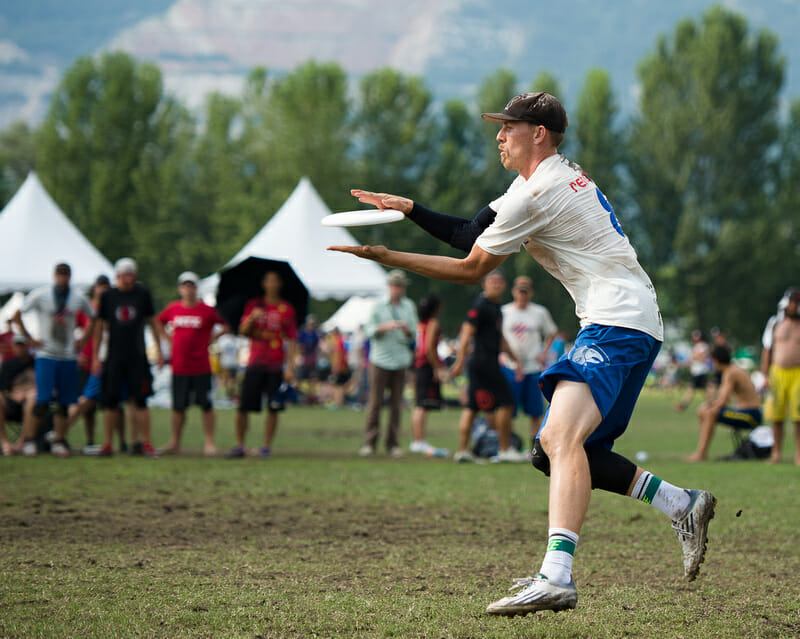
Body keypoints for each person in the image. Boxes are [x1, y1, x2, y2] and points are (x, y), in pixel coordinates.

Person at [330, 91, 716, 615]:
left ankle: (556, 576)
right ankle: (681, 503)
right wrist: (411, 209)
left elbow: (471, 266)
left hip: (616, 321)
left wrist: (384, 256)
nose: (499, 136)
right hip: (629, 320)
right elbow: (471, 232)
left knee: (559, 439)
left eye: (508, 127)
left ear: (539, 134)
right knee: (555, 451)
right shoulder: (534, 183)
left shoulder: (535, 194)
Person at [14, 262, 94, 457]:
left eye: (66, 274)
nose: (62, 277)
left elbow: (94, 317)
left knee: (63, 402)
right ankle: (30, 440)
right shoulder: (41, 294)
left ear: (70, 276)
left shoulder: (77, 297)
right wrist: (29, 339)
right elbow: (17, 314)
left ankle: (59, 440)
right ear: (54, 275)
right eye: (60, 273)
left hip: (67, 356)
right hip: (46, 355)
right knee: (42, 400)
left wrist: (82, 341)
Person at [450, 270, 526, 463]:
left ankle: (462, 451)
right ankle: (504, 449)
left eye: (500, 281)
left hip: (484, 362)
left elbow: (500, 339)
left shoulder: (495, 307)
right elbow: (466, 332)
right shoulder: (481, 305)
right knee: (506, 403)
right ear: (484, 284)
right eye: (492, 281)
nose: (497, 284)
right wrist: (459, 361)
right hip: (484, 362)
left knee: (472, 407)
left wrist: (515, 360)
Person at [93, 258, 164, 457]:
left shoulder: (142, 294)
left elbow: (153, 322)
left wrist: (159, 350)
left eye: (131, 273)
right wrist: (96, 357)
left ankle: (145, 443)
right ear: (117, 276)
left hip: (137, 356)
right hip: (114, 356)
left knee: (140, 400)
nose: (128, 278)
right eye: (124, 274)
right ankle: (107, 444)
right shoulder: (108, 296)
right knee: (110, 401)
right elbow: (99, 326)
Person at [227, 270, 297, 459]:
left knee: (273, 407)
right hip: (255, 362)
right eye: (269, 281)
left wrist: (290, 367)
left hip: (275, 363)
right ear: (264, 284)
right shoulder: (253, 305)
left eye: (276, 281)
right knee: (243, 406)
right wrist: (252, 318)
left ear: (280, 284)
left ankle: (266, 446)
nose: (272, 284)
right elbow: (242, 331)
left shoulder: (286, 308)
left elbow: (291, 339)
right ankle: (240, 445)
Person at [157, 271, 229, 456]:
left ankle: (209, 442)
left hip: (201, 367)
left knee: (206, 405)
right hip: (179, 367)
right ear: (180, 289)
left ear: (197, 288)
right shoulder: (173, 308)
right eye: (185, 285)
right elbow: (158, 322)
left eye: (191, 285)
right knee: (178, 407)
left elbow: (226, 324)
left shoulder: (206, 310)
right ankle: (175, 442)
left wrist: (213, 337)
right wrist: (167, 339)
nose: (188, 289)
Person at [359, 269, 418, 458]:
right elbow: (368, 330)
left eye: (401, 285)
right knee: (375, 403)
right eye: (395, 285)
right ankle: (370, 442)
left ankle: (392, 443)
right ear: (389, 286)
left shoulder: (409, 306)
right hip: (380, 360)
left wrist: (407, 330)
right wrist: (384, 327)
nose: (398, 289)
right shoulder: (378, 306)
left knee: (396, 404)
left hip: (401, 359)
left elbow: (416, 333)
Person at [501, 275, 558, 449]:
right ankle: (511, 443)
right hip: (510, 366)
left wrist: (544, 352)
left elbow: (552, 332)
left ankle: (534, 446)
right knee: (509, 409)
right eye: (520, 291)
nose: (522, 294)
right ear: (514, 292)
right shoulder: (504, 311)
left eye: (525, 291)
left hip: (533, 367)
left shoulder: (539, 312)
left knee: (535, 410)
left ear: (530, 293)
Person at [686, 344, 762, 462]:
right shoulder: (734, 370)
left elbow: (723, 401)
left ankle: (701, 453)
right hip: (749, 413)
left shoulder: (730, 373)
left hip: (751, 416)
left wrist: (710, 407)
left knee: (710, 413)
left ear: (716, 361)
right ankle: (701, 451)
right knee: (703, 410)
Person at [760, 287, 800, 465]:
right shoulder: (775, 322)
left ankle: (799, 454)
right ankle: (776, 454)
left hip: (798, 374)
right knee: (776, 416)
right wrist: (765, 374)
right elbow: (767, 349)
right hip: (777, 372)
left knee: (798, 417)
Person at [409, 293, 444, 455]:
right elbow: (429, 348)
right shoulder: (433, 323)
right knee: (422, 405)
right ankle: (419, 441)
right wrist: (437, 367)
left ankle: (418, 440)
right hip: (426, 365)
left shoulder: (420, 324)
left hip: (419, 365)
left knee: (419, 404)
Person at [0, 336, 36, 456]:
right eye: (17, 345)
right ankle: (5, 443)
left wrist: (27, 394)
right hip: (12, 402)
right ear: (13, 347)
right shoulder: (7, 365)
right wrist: (15, 395)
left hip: (33, 404)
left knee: (33, 395)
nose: (20, 348)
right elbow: (3, 389)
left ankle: (22, 442)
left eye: (23, 345)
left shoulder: (37, 363)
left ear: (29, 346)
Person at [674, 330, 712, 411]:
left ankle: (683, 406)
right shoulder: (697, 346)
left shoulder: (703, 346)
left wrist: (692, 358)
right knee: (703, 390)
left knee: (693, 389)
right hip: (697, 372)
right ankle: (711, 404)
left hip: (701, 371)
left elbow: (701, 356)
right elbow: (692, 359)